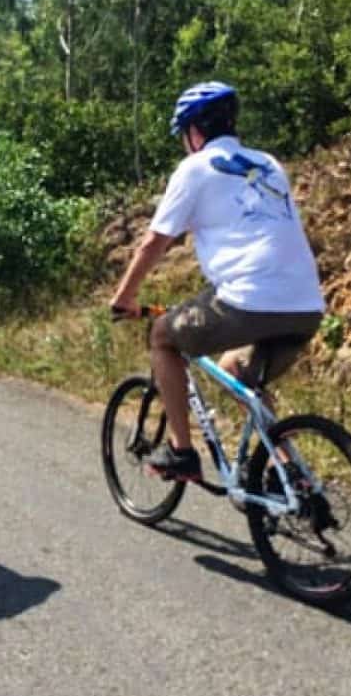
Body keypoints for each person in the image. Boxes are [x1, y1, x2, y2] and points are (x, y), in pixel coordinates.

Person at [109, 82, 324, 481]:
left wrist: (124, 297)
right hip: (306, 304)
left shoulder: (195, 168)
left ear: (194, 131)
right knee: (237, 373)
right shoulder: (269, 164)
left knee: (162, 336)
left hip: (249, 300)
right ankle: (288, 471)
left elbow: (155, 241)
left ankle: (182, 452)